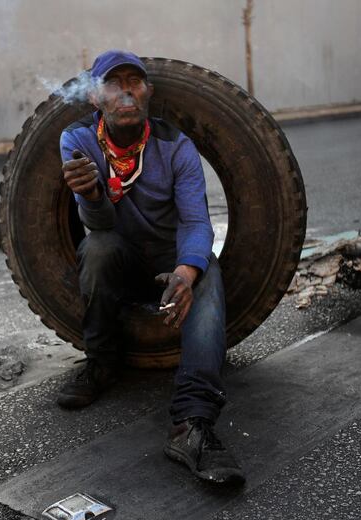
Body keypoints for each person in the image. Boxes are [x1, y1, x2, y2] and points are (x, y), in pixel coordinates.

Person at [58, 50, 244, 485]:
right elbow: (98, 226)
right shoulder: (77, 139)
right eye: (114, 82)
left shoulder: (175, 145)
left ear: (148, 92)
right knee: (99, 248)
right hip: (118, 251)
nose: (126, 89)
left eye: (135, 81)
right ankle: (102, 363)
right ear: (95, 97)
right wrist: (90, 196)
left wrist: (186, 272)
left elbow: (197, 221)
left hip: (167, 255)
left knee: (207, 273)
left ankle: (192, 423)